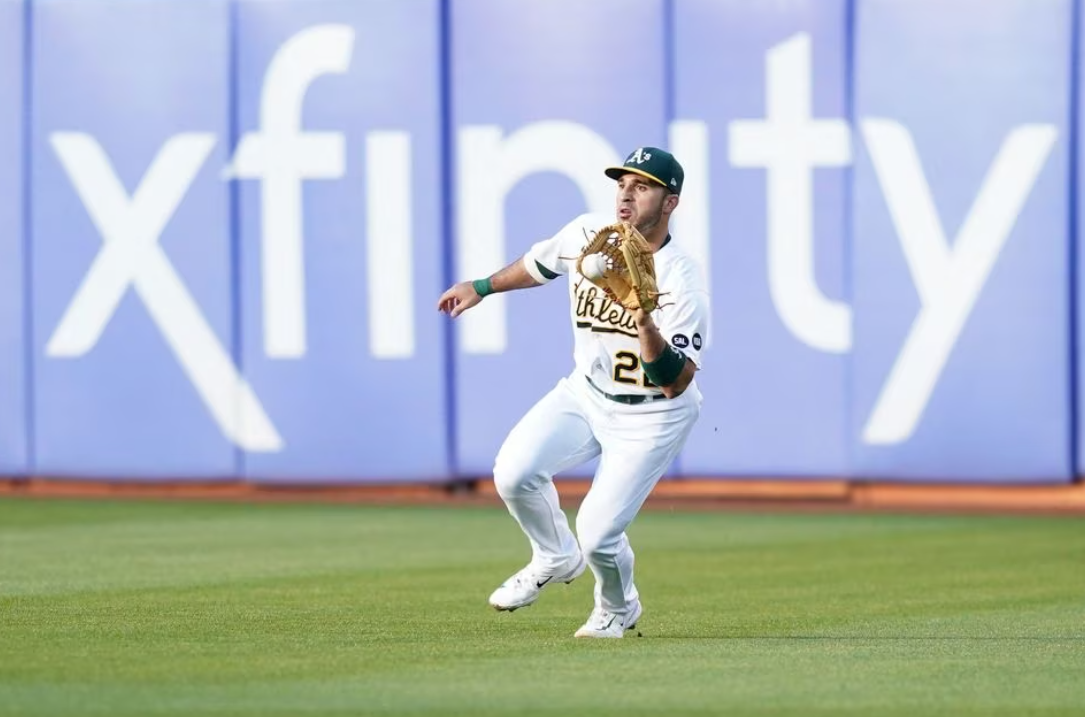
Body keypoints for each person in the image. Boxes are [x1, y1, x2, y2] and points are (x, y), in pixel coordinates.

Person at [437, 147, 710, 638]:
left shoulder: (681, 277)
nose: (626, 193)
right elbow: (540, 265)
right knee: (514, 473)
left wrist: (643, 316)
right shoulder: (589, 232)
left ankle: (617, 606)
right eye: (622, 183)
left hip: (653, 414)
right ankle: (555, 555)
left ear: (670, 203)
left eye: (642, 186)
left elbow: (675, 381)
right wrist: (481, 286)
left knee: (600, 534)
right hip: (586, 393)